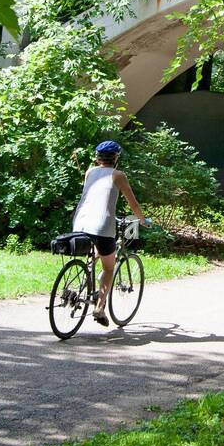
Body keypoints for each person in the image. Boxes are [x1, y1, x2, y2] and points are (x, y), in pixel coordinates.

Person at [73, 140, 147, 326]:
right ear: (116, 158)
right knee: (108, 267)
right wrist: (143, 220)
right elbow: (133, 204)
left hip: (80, 222)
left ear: (97, 158)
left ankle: (82, 281)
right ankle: (99, 307)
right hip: (102, 225)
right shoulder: (118, 175)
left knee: (96, 253)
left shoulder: (90, 171)